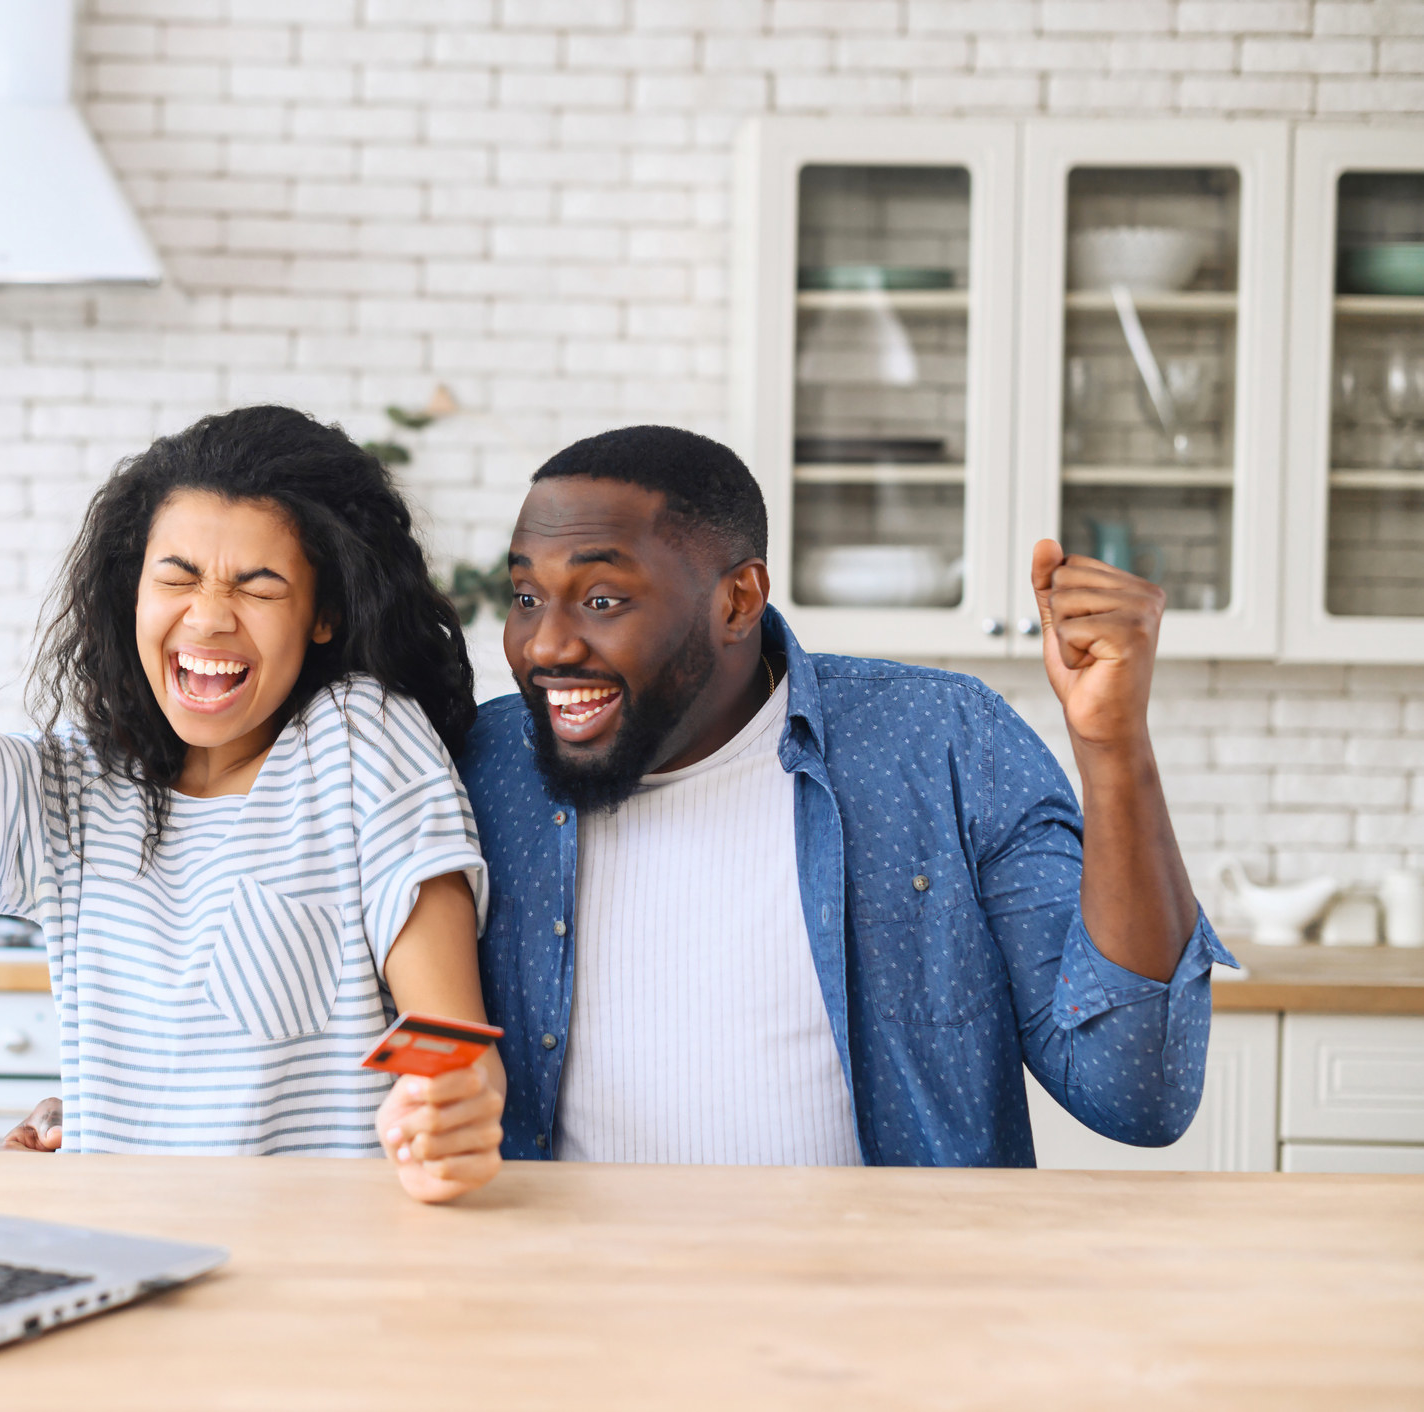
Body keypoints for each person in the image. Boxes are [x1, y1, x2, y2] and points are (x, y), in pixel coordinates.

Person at [0, 340, 505, 1202]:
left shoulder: (357, 738)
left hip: (314, 1282)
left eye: (257, 587)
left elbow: (448, 1032)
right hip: (121, 1262)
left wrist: (446, 1105)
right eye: (176, 577)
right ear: (131, 596)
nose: (208, 618)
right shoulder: (79, 782)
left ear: (325, 615)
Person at [459, 425, 1234, 1165]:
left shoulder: (944, 742)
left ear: (738, 601)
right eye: (527, 597)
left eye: (601, 600)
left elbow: (1139, 1098)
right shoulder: (484, 768)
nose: (547, 646)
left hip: (887, 1291)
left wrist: (1114, 745)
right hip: (574, 1289)